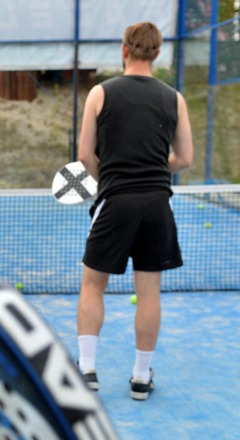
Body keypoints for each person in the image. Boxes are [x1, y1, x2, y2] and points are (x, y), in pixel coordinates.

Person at [75, 21, 193, 401]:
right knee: (149, 293)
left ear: (124, 50)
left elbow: (84, 155)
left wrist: (107, 176)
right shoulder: (174, 98)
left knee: (94, 285)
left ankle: (87, 371)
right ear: (157, 54)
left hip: (116, 201)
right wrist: (157, 166)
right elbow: (185, 158)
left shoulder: (99, 93)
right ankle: (141, 377)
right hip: (157, 204)